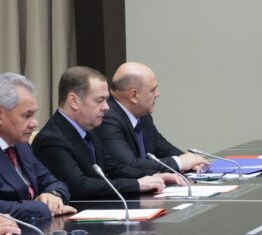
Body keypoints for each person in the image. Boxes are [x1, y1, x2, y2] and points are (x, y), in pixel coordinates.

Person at [31, 66, 184, 200]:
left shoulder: (89, 129)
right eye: (99, 100)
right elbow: (80, 186)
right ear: (73, 101)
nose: (106, 107)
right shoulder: (52, 139)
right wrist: (136, 184)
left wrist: (152, 176)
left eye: (106, 100)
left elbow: (114, 168)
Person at [94, 62, 208, 173]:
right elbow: (129, 165)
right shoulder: (107, 118)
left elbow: (161, 147)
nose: (158, 94)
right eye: (153, 90)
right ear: (134, 95)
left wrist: (190, 161)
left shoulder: (143, 114)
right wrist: (179, 162)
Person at [0, 73, 75, 221]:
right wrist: (42, 208)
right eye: (27, 115)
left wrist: (53, 196)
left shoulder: (22, 147)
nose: (35, 123)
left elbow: (54, 183)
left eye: (34, 115)